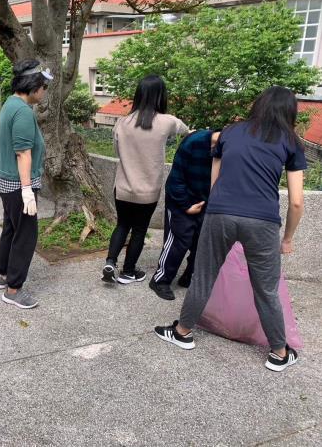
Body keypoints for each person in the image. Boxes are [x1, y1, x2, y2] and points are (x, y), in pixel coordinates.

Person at [154, 86, 306, 373]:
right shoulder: (290, 141)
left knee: (204, 276)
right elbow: (297, 202)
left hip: (220, 213)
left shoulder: (231, 132)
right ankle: (279, 352)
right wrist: (287, 238)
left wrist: (219, 210)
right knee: (266, 288)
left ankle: (182, 332)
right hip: (262, 221)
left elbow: (215, 180)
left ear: (258, 105)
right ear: (289, 111)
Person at [102, 75, 188, 285]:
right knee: (139, 230)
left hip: (122, 187)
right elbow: (186, 131)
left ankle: (110, 262)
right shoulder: (167, 122)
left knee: (122, 225)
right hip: (148, 190)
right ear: (161, 96)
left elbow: (117, 151)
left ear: (138, 95)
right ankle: (128, 272)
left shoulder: (122, 123)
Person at [0, 59, 53, 309]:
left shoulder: (11, 103)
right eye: (44, 86)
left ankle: (4, 275)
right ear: (34, 85)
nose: (45, 91)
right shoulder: (23, 112)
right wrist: (27, 190)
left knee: (11, 228)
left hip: (8, 183)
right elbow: (23, 152)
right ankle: (13, 289)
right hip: (19, 185)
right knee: (26, 235)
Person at [149, 129, 221, 300]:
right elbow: (176, 179)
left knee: (201, 242)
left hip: (206, 202)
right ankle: (160, 280)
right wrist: (186, 205)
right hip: (181, 200)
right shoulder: (194, 143)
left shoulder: (229, 150)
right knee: (178, 241)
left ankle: (189, 276)